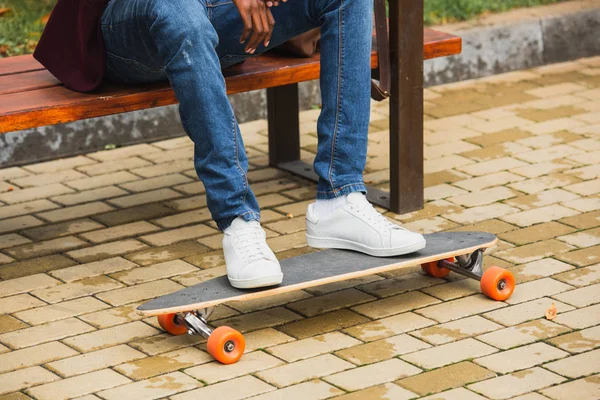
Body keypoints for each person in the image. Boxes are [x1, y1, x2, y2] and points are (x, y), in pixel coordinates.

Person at [34, 0, 426, 290]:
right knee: (178, 12)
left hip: (213, 18)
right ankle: (238, 219)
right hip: (125, 30)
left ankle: (340, 197)